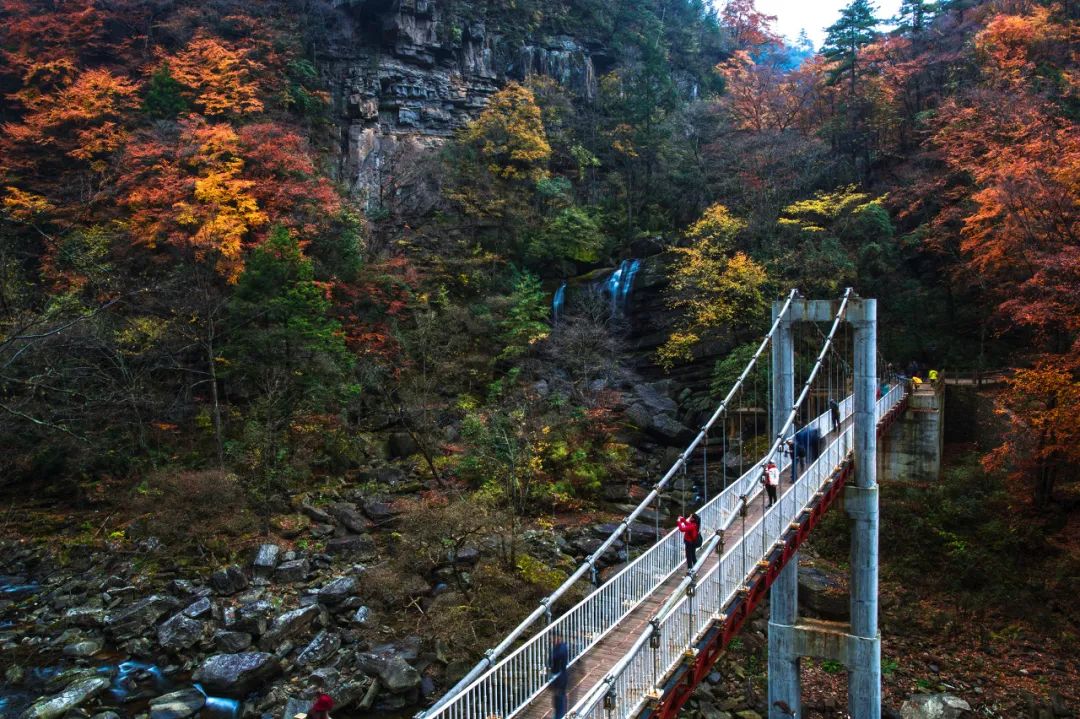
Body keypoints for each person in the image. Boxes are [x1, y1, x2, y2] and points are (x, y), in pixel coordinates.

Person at [549, 631, 570, 719]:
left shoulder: (561, 648)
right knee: (558, 699)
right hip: (558, 676)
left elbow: (556, 660)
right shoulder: (559, 647)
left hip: (560, 677)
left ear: (558, 637)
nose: (550, 640)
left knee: (560, 697)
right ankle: (558, 715)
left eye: (552, 638)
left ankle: (559, 716)